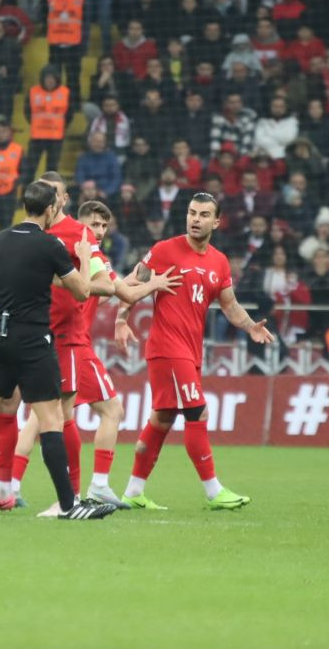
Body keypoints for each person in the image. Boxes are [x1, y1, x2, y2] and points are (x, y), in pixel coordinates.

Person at [0, 194, 178, 514]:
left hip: (60, 340)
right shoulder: (71, 251)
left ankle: (15, 487)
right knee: (87, 414)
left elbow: (109, 290)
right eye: (94, 224)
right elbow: (110, 288)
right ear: (76, 221)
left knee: (43, 418)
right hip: (67, 342)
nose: (100, 230)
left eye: (105, 225)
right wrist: (150, 284)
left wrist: (134, 287)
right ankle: (80, 493)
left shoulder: (84, 254)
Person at [0, 180, 112, 521]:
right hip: (34, 341)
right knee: (51, 421)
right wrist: (80, 260)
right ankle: (68, 504)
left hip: (0, 340)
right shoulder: (49, 245)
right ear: (50, 210)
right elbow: (80, 292)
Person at [113, 192, 274, 510]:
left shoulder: (219, 261)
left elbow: (230, 306)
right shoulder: (164, 250)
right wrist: (121, 319)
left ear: (216, 221)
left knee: (162, 418)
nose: (195, 219)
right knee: (197, 412)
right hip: (168, 348)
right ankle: (214, 492)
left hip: (189, 350)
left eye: (203, 214)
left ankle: (133, 492)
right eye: (191, 213)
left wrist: (251, 326)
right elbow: (129, 283)